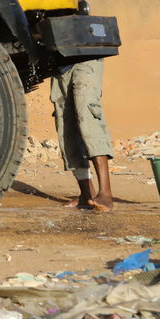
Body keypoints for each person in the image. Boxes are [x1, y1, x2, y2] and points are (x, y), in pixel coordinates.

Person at [51, 58, 114, 211]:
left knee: (87, 114)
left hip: (87, 54)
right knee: (65, 125)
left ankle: (105, 193)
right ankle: (86, 194)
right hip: (60, 62)